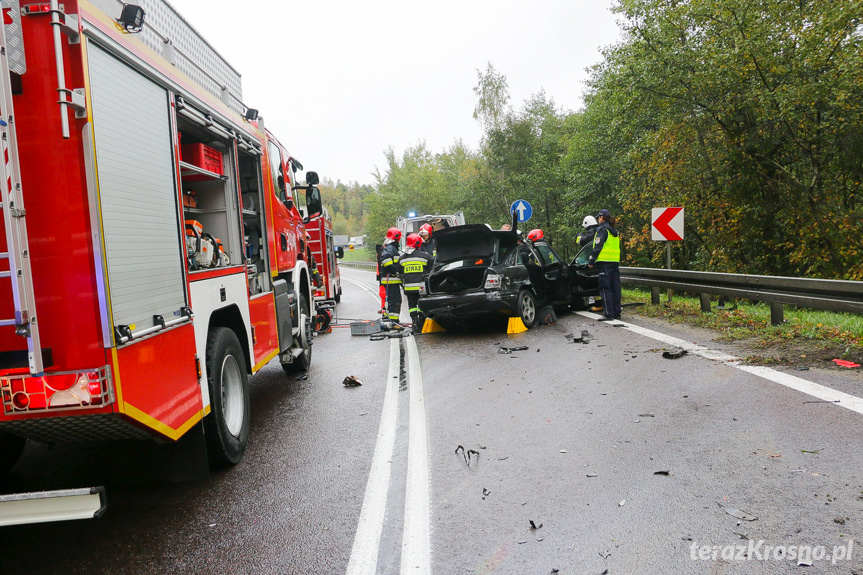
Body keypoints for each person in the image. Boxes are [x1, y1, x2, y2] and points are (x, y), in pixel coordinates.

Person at [587, 209, 622, 321]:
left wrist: (591, 260)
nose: (598, 219)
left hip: (605, 263)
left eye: (599, 217)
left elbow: (598, 246)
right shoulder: (614, 231)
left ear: (602, 217)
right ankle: (617, 312)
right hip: (614, 262)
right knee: (615, 288)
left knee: (605, 288)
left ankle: (609, 313)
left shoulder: (602, 230)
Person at [400, 233, 434, 333]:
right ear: (418, 243)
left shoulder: (402, 259)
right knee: (422, 305)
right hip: (421, 288)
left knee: (412, 306)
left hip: (409, 289)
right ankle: (422, 322)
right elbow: (433, 265)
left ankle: (414, 321)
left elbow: (399, 270)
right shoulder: (425, 256)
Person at [378, 228, 403, 326]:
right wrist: (394, 270)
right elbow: (385, 259)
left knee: (393, 302)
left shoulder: (392, 247)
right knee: (394, 302)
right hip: (391, 282)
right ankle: (393, 322)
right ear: (396, 238)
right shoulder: (390, 248)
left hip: (392, 282)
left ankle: (392, 321)